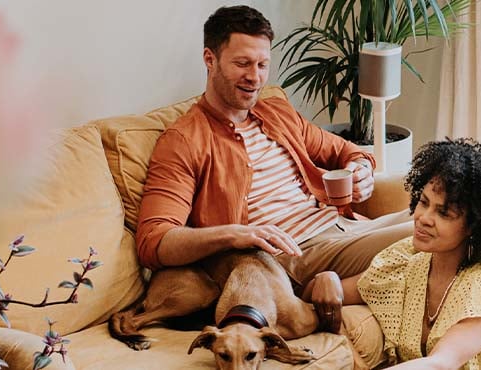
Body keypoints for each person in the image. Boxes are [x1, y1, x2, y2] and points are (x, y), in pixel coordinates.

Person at [135, 5, 412, 325]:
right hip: (294, 255)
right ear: (210, 60)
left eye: (262, 64)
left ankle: (334, 289)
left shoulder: (276, 111)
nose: (255, 77)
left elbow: (346, 151)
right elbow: (154, 241)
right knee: (433, 233)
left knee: (443, 215)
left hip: (345, 226)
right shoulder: (185, 140)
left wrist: (361, 169)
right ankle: (313, 292)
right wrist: (235, 234)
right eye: (242, 63)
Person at [310, 138, 481, 369]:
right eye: (424, 203)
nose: (423, 218)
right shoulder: (407, 262)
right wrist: (328, 278)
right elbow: (332, 292)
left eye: (443, 213)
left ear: (474, 226)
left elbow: (440, 363)